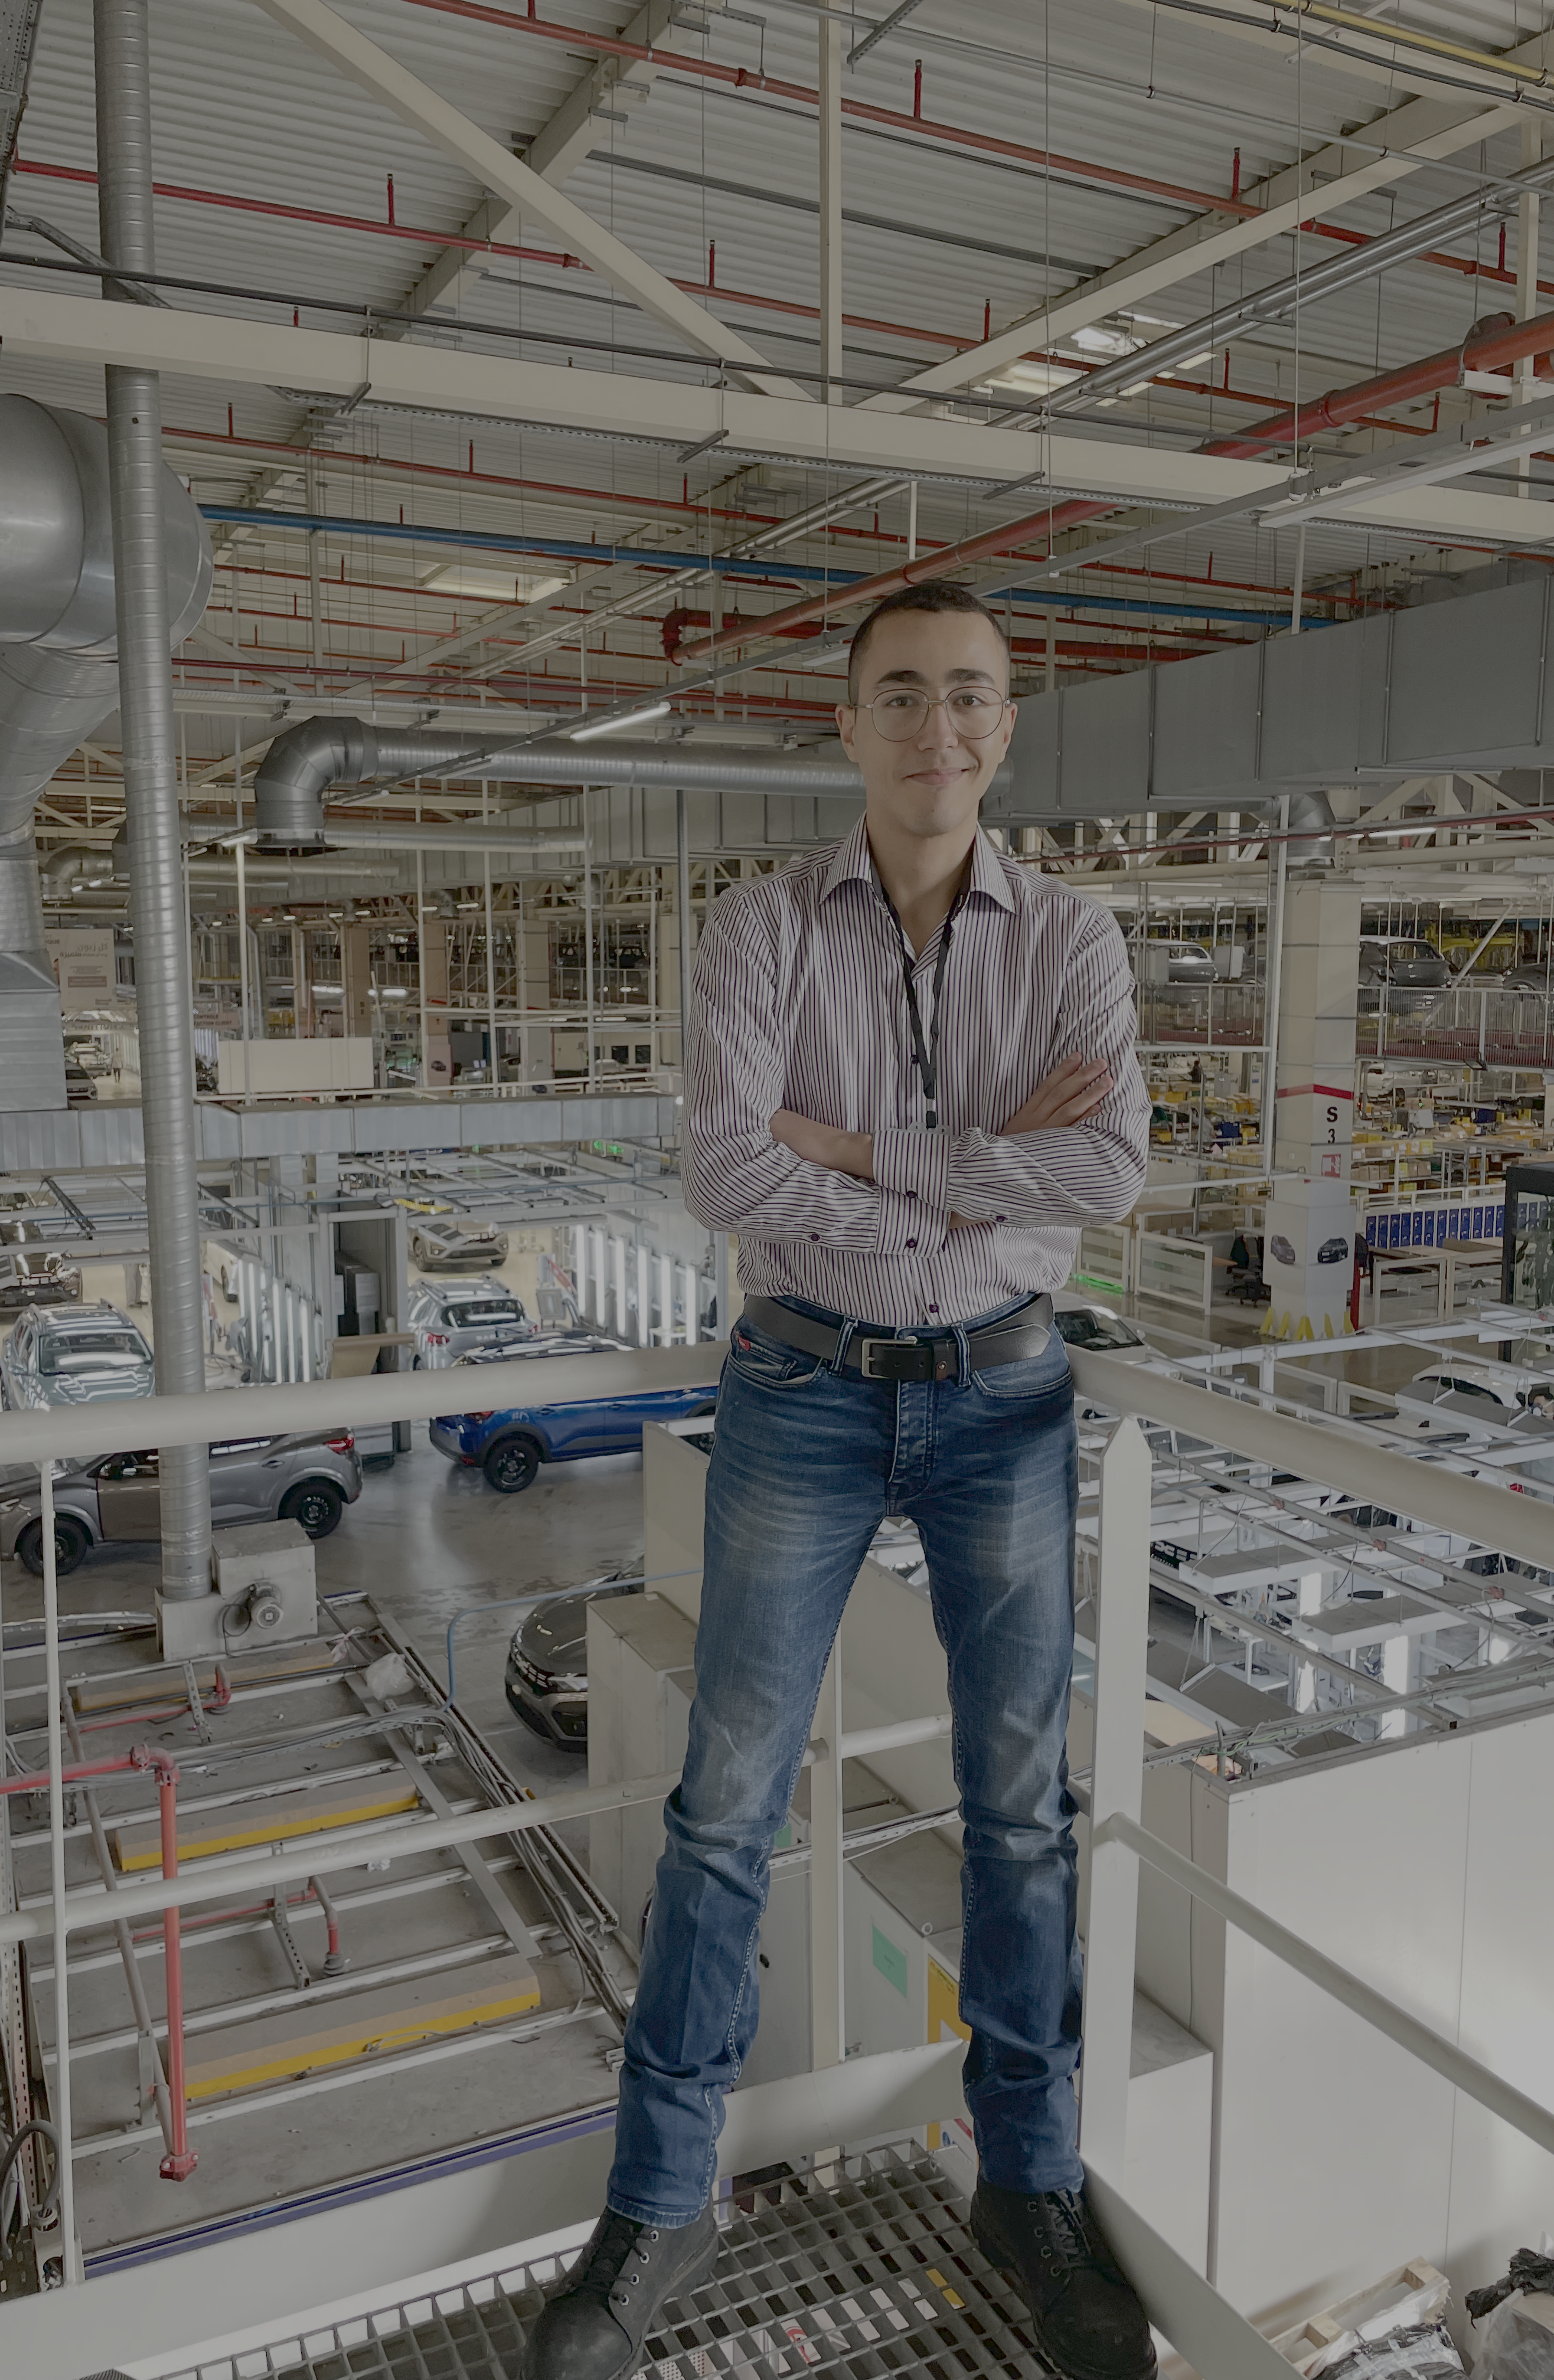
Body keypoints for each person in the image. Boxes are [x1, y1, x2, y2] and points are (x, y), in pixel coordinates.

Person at [523, 583, 1155, 2380]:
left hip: (1009, 1404)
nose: (936, 730)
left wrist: (868, 1150)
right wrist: (974, 1174)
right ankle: (659, 2204)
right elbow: (724, 1162)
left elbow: (1103, 1167)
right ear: (850, 723)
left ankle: (1028, 2187)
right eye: (902, 697)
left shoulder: (1077, 935)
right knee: (726, 1806)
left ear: (1007, 724)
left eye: (969, 699)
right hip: (800, 1391)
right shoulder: (764, 927)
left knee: (1020, 1811)